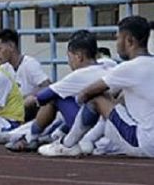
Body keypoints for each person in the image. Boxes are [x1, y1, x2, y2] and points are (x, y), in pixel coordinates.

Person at [39, 16, 154, 158]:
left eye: (118, 38)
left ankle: (68, 145)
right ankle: (87, 140)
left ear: (129, 40)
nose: (116, 44)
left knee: (97, 98)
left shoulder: (128, 68)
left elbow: (87, 94)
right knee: (121, 99)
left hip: (144, 143)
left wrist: (80, 103)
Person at [0, 30, 112, 151]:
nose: (68, 62)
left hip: (96, 127)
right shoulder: (109, 66)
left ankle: (29, 137)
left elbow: (45, 92)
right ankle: (42, 136)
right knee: (61, 111)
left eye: (69, 57)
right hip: (106, 122)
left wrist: (32, 99)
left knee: (54, 98)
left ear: (78, 57)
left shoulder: (78, 74)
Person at [0, 29, 50, 120]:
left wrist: (28, 97)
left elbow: (47, 85)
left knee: (29, 101)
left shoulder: (29, 63)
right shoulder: (4, 68)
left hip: (29, 113)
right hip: (10, 112)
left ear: (11, 46)